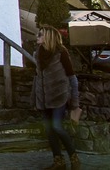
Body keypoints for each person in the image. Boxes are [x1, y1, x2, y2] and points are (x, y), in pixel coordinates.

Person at [33, 24, 81, 170]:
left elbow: (72, 77)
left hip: (59, 96)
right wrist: (34, 99)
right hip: (44, 98)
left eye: (40, 34)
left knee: (57, 126)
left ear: (48, 36)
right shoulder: (38, 54)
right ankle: (58, 161)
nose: (37, 36)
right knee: (49, 129)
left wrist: (75, 101)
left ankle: (74, 158)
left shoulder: (61, 52)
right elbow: (37, 77)